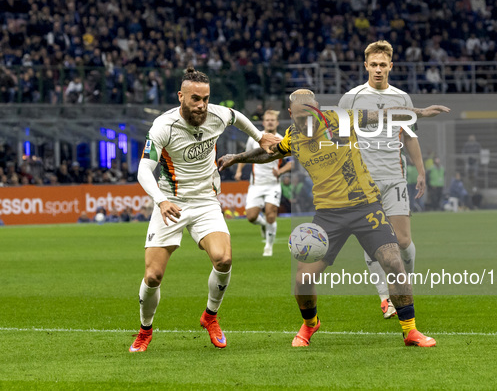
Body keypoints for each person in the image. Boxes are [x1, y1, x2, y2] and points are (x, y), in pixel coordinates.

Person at [219, 89, 447, 348]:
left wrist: (419, 112)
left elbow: (383, 115)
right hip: (328, 216)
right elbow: (269, 153)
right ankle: (310, 323)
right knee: (302, 280)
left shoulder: (340, 118)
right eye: (301, 114)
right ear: (291, 114)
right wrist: (236, 158)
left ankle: (410, 331)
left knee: (393, 261)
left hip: (366, 207)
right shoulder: (293, 137)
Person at [129, 67, 279, 353]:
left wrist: (260, 136)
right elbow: (143, 170)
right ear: (181, 97)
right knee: (153, 277)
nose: (202, 105)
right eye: (195, 99)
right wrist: (161, 200)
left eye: (206, 99)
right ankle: (145, 331)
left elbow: (237, 117)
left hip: (205, 201)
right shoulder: (163, 126)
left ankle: (210, 316)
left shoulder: (217, 115)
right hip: (170, 202)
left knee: (223, 259)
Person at [338, 40, 450, 319]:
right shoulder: (350, 98)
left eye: (382, 65)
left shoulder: (402, 98)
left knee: (401, 240)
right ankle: (386, 298)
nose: (378, 69)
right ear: (366, 66)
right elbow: (341, 140)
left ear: (391, 66)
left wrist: (421, 171)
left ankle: (403, 286)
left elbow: (410, 137)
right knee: (373, 242)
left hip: (395, 177)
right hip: (363, 182)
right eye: (373, 64)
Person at [234, 110, 292, 256]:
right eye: (267, 120)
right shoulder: (255, 138)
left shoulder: (282, 140)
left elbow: (292, 163)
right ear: (264, 122)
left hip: (273, 184)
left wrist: (280, 171)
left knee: (271, 214)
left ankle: (268, 247)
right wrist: (239, 171)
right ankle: (264, 225)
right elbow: (245, 156)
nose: (270, 122)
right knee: (251, 217)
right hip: (255, 184)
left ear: (277, 123)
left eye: (273, 120)